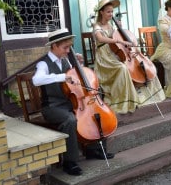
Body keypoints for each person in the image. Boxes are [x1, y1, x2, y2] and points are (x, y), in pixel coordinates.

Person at [32, 28, 114, 176]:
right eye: (65, 47)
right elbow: (36, 80)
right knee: (70, 120)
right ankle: (69, 162)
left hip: (71, 103)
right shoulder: (43, 64)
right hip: (52, 107)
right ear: (54, 46)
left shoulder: (66, 61)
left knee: (95, 113)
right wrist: (61, 76)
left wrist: (78, 66)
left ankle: (93, 151)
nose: (68, 50)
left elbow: (74, 85)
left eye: (69, 47)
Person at [92, 0, 166, 114]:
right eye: (108, 12)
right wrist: (117, 40)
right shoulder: (97, 25)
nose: (111, 14)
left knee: (139, 64)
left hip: (113, 54)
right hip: (104, 58)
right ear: (101, 12)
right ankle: (125, 100)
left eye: (112, 12)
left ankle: (142, 95)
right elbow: (100, 38)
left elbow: (117, 44)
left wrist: (120, 31)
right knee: (123, 68)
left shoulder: (111, 25)